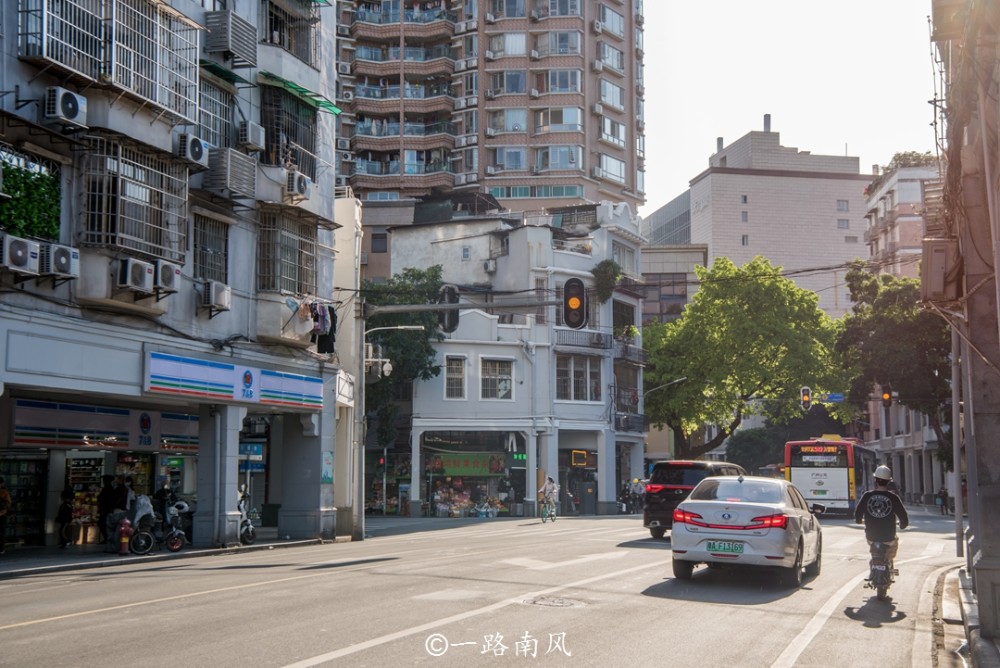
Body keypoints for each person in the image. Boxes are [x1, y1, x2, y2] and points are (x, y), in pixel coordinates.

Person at [854, 465, 909, 563]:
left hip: (871, 537)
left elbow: (858, 513)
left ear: (875, 480)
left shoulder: (867, 496)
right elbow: (904, 517)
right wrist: (902, 525)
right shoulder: (894, 498)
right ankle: (888, 562)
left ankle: (874, 565)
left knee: (872, 547)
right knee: (893, 548)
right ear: (888, 481)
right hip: (889, 537)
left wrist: (859, 521)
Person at [96, 475, 116, 544]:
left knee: (102, 523)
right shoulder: (109, 488)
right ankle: (106, 538)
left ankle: (107, 538)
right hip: (106, 509)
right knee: (103, 523)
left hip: (105, 509)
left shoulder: (108, 488)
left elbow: (103, 498)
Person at [0, 477, 11, 555]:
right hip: (1, 514)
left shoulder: (4, 492)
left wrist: (2, 512)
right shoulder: (4, 492)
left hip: (1, 514)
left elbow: (7, 504)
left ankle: (1, 548)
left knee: (0, 532)